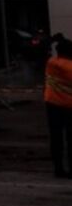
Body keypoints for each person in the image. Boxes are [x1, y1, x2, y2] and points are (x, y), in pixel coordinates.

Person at [44, 37, 72, 178]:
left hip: (52, 104)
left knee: (56, 139)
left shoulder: (51, 63)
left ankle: (58, 168)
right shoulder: (69, 67)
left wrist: (50, 41)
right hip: (68, 106)